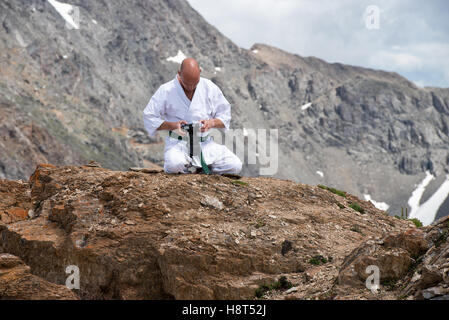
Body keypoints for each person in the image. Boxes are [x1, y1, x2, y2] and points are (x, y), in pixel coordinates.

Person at [143, 58, 242, 174]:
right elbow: (149, 116)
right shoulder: (166, 90)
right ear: (179, 73)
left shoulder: (209, 88)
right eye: (186, 83)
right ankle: (187, 167)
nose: (190, 87)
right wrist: (172, 125)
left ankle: (200, 168)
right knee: (174, 164)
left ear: (200, 72)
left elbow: (224, 115)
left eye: (195, 83)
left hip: (205, 144)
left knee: (234, 165)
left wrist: (211, 123)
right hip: (178, 144)